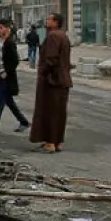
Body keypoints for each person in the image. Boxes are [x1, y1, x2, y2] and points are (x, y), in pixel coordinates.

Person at [29, 12, 72, 153]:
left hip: (52, 81)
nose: (47, 21)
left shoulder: (53, 36)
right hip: (62, 80)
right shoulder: (63, 36)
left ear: (56, 22)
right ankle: (57, 141)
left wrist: (43, 73)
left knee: (49, 111)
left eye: (49, 19)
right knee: (59, 112)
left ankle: (50, 142)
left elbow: (51, 59)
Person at [0, 19, 30, 135]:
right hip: (0, 75)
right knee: (9, 102)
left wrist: (6, 73)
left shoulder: (9, 42)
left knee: (0, 101)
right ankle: (24, 122)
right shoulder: (2, 41)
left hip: (6, 78)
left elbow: (15, 60)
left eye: (1, 28)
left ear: (7, 28)